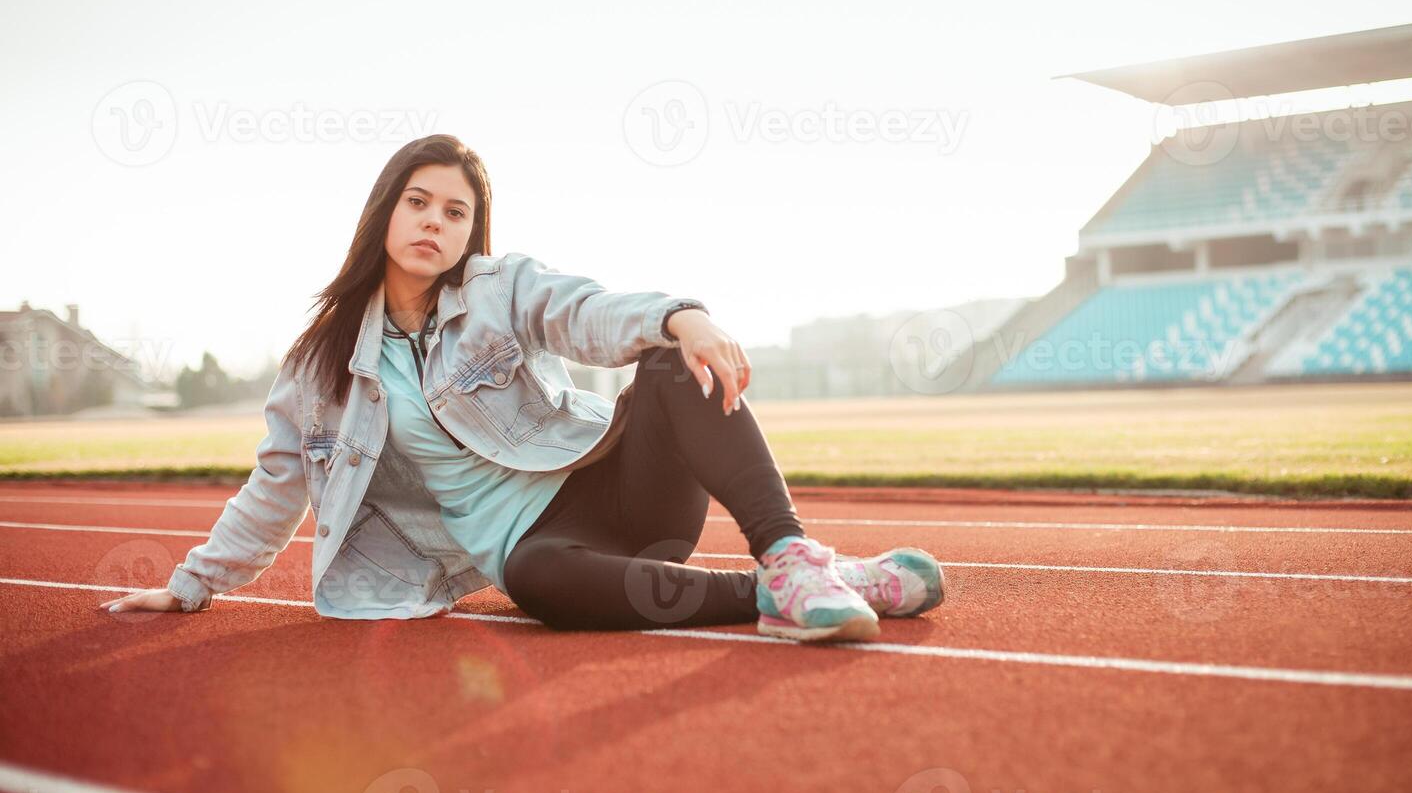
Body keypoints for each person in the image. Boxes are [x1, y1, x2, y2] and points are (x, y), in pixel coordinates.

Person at [101, 134, 945, 642]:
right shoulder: (320, 366)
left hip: (620, 485)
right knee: (538, 586)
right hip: (551, 552)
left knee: (661, 363)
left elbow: (583, 311)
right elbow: (277, 482)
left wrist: (680, 316)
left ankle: (791, 558)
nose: (435, 222)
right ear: (382, 214)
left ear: (474, 230)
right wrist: (192, 583)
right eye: (419, 203)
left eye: (456, 212)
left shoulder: (499, 290)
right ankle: (816, 591)